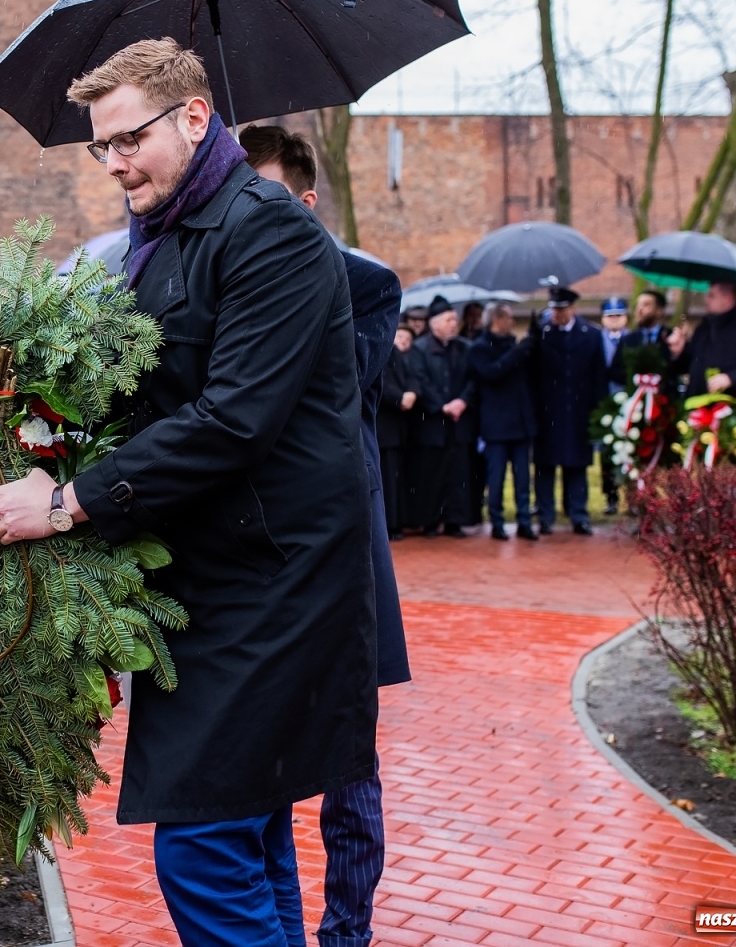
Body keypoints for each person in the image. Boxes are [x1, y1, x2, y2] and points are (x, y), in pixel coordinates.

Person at [0, 40, 376, 947]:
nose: (112, 163)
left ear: (193, 117)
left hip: (275, 584)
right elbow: (120, 400)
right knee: (247, 835)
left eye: (128, 139)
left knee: (204, 845)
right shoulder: (162, 238)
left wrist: (65, 506)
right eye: (99, 147)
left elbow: (231, 420)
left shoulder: (272, 232)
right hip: (204, 583)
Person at [241, 123, 410, 947]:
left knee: (350, 775)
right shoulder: (227, 281)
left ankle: (349, 934)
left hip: (347, 557)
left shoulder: (368, 285)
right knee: (259, 780)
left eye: (264, 199)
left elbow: (327, 388)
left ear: (305, 203)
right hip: (263, 564)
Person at [666, 281, 736, 449]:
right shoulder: (704, 328)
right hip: (700, 412)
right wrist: (678, 351)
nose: (706, 300)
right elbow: (691, 364)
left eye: (711, 295)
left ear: (727, 298)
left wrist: (732, 378)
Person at [530, 287, 605, 535]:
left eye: (561, 309)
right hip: (548, 411)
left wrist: (597, 411)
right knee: (545, 466)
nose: (557, 314)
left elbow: (598, 376)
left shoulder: (592, 334)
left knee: (577, 465)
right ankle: (545, 515)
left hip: (578, 411)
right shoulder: (541, 334)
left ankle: (578, 514)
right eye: (554, 309)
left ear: (572, 308)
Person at [406, 296, 477, 537]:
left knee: (458, 472)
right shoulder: (420, 349)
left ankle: (455, 520)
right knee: (430, 473)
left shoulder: (465, 347)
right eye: (449, 319)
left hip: (459, 422)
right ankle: (430, 520)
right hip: (432, 423)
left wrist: (462, 401)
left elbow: (473, 379)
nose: (454, 324)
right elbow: (420, 381)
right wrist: (442, 406)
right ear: (435, 324)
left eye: (455, 319)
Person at [468, 302, 538, 541]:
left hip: (520, 423)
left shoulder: (513, 345)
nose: (512, 322)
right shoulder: (479, 347)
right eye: (508, 317)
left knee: (522, 479)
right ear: (497, 319)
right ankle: (496, 521)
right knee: (496, 478)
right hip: (495, 425)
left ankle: (524, 521)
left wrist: (532, 341)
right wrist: (519, 350)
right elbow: (493, 372)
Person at [380, 326, 418, 540]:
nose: (403, 340)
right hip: (383, 428)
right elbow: (380, 383)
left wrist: (412, 393)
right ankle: (388, 525)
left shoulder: (403, 357)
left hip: (400, 429)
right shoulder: (382, 351)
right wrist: (399, 399)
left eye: (407, 338)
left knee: (396, 478)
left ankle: (396, 523)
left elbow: (413, 378)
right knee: (386, 478)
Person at [596, 297, 629, 515]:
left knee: (631, 450)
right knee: (606, 452)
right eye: (610, 316)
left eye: (618, 316)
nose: (614, 320)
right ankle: (611, 496)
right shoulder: (596, 340)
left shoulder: (633, 339)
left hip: (628, 403)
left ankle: (633, 496)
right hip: (605, 401)